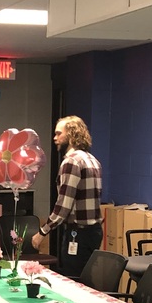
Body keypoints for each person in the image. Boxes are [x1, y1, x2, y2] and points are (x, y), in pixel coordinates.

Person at [31, 115, 103, 278]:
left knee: (74, 281)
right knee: (87, 280)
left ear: (71, 135)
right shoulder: (93, 160)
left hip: (78, 235)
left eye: (58, 134)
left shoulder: (71, 162)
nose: (55, 138)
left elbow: (64, 205)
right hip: (94, 232)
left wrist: (42, 232)